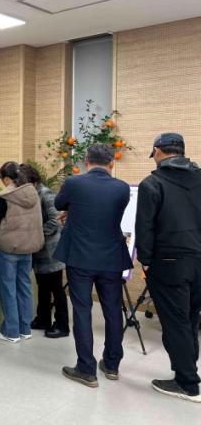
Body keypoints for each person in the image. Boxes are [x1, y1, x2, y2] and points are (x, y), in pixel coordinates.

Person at [54, 143, 132, 388]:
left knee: (82, 310)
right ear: (112, 163)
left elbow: (58, 204)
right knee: (113, 310)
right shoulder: (122, 188)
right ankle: (112, 365)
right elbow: (105, 212)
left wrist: (72, 212)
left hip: (80, 257)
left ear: (86, 161)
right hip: (111, 258)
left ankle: (86, 369)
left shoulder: (74, 183)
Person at [136, 133, 201, 403]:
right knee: (190, 318)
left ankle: (187, 383)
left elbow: (145, 227)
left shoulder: (152, 184)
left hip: (169, 263)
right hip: (199, 260)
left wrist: (145, 260)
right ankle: (187, 370)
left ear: (158, 151)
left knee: (175, 323)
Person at [0, 162, 44, 343]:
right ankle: (25, 329)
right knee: (24, 287)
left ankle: (11, 331)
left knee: (8, 289)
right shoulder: (33, 193)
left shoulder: (6, 197)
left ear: (7, 178)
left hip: (8, 248)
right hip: (28, 249)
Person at [19, 164, 69, 339]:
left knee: (56, 288)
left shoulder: (46, 194)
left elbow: (56, 220)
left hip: (51, 249)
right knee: (42, 286)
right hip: (39, 248)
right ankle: (43, 319)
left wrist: (36, 234)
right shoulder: (33, 194)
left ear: (32, 181)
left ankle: (62, 325)